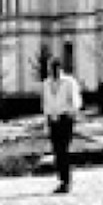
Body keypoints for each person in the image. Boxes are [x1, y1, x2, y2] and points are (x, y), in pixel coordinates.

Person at [41, 57, 82, 194]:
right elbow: (45, 102)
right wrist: (47, 118)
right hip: (52, 120)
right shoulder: (46, 83)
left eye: (56, 67)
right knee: (57, 150)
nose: (53, 70)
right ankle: (62, 179)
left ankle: (66, 181)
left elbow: (76, 100)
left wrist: (71, 113)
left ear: (60, 68)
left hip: (65, 118)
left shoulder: (69, 82)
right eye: (51, 68)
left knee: (63, 149)